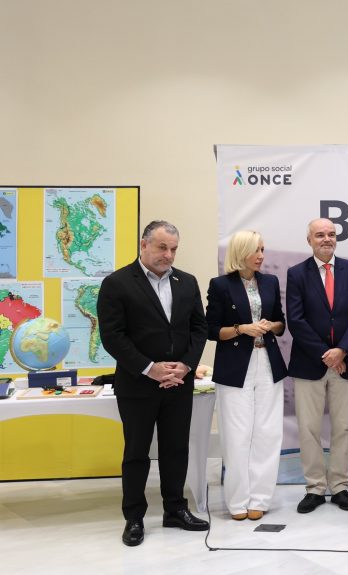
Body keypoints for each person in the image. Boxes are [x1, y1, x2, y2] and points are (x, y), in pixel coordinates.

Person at [97, 220, 209, 547]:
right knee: (137, 452)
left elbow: (198, 329)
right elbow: (112, 336)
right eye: (162, 247)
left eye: (173, 249)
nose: (168, 255)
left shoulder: (187, 282)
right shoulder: (117, 283)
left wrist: (185, 366)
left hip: (179, 382)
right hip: (138, 384)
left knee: (176, 449)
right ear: (143, 244)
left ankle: (175, 509)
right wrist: (150, 368)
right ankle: (134, 517)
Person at [285, 218, 348, 513]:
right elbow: (296, 320)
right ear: (309, 240)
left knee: (343, 427)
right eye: (320, 235)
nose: (327, 239)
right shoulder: (296, 273)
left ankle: (340, 486)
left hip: (346, 362)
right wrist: (327, 354)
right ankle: (315, 488)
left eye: (331, 234)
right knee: (308, 428)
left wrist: (342, 351)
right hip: (310, 364)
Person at [206, 230, 288, 521]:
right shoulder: (220, 285)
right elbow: (212, 330)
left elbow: (281, 324)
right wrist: (242, 329)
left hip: (268, 362)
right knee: (236, 434)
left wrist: (269, 326)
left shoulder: (270, 282)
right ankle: (237, 501)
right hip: (234, 366)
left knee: (268, 432)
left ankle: (260, 498)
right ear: (242, 252)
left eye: (263, 249)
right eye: (256, 250)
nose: (261, 256)